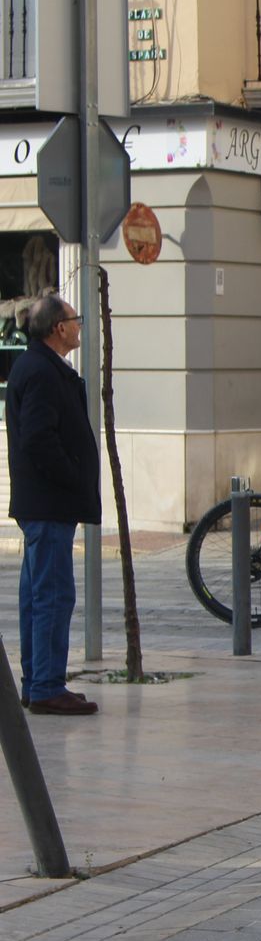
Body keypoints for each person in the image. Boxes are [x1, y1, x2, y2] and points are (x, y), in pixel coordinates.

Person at [4, 292, 99, 715]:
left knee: (40, 594)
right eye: (74, 319)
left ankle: (38, 681)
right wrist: (74, 476)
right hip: (48, 503)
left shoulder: (39, 366)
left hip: (44, 502)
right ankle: (45, 685)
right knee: (53, 595)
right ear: (59, 328)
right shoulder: (41, 371)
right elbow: (39, 439)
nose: (79, 325)